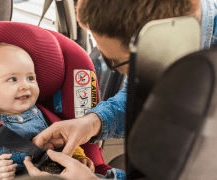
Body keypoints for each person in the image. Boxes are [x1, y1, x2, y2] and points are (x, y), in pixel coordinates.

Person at [23, 0, 217, 179]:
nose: (109, 65)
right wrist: (91, 122)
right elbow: (140, 95)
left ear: (159, 40)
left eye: (113, 61)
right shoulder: (162, 49)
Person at [0, 43, 94, 180]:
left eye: (30, 78)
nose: (25, 86)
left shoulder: (45, 116)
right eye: (12, 79)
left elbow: (65, 139)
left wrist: (78, 158)